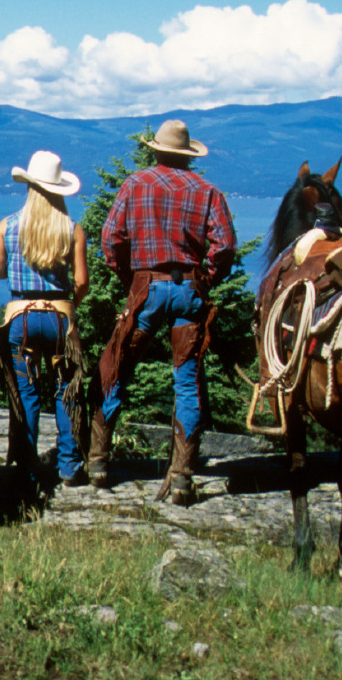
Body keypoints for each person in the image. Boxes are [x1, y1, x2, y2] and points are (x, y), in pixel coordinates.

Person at [90, 119, 236, 504]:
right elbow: (224, 245)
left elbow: (111, 239)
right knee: (187, 382)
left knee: (117, 366)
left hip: (146, 287)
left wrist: (129, 280)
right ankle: (183, 475)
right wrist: (205, 277)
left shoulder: (135, 184)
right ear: (188, 154)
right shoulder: (207, 191)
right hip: (188, 289)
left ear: (156, 150)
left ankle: (99, 461)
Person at [0, 150, 90, 491]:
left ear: (30, 187)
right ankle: (70, 467)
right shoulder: (74, 230)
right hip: (61, 320)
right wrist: (67, 304)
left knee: (26, 394)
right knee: (67, 392)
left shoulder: (7, 225)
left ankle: (27, 469)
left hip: (20, 320)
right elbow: (81, 283)